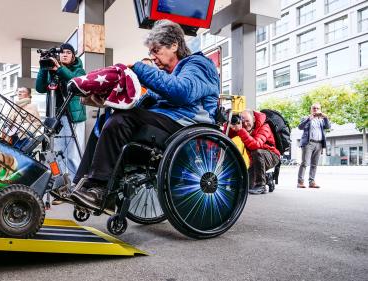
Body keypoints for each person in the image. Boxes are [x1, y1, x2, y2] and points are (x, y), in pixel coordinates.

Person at [65, 19, 220, 211]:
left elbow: (183, 92)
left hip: (188, 124)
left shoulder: (198, 64)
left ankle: (101, 189)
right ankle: (83, 184)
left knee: (123, 120)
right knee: (108, 118)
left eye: (156, 50)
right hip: (169, 121)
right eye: (150, 53)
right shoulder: (169, 74)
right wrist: (108, 102)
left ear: (174, 45)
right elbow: (145, 101)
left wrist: (139, 69)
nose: (153, 57)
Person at [35, 43, 86, 180]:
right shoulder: (51, 70)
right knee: (58, 153)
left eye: (68, 52)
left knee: (73, 153)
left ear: (73, 55)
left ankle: (76, 185)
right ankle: (61, 185)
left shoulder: (79, 70)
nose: (65, 54)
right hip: (56, 117)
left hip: (74, 117)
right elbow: (40, 88)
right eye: (62, 52)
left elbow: (74, 82)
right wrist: (43, 68)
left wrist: (59, 68)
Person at [229, 110, 281, 195]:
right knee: (246, 186)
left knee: (257, 152)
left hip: (272, 155)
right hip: (255, 160)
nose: (245, 124)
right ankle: (268, 178)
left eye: (247, 121)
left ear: (253, 119)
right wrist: (229, 125)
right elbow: (226, 136)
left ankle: (261, 186)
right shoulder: (242, 127)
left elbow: (255, 145)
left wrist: (241, 130)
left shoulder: (265, 126)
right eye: (243, 121)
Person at [297, 103, 331, 188]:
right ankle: (300, 182)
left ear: (320, 110)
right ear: (311, 109)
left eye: (317, 108)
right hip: (308, 143)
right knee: (304, 163)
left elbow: (328, 127)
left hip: (319, 143)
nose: (316, 109)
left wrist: (326, 117)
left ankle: (311, 182)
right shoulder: (306, 118)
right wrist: (309, 119)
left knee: (314, 164)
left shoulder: (322, 120)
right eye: (314, 108)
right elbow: (300, 127)